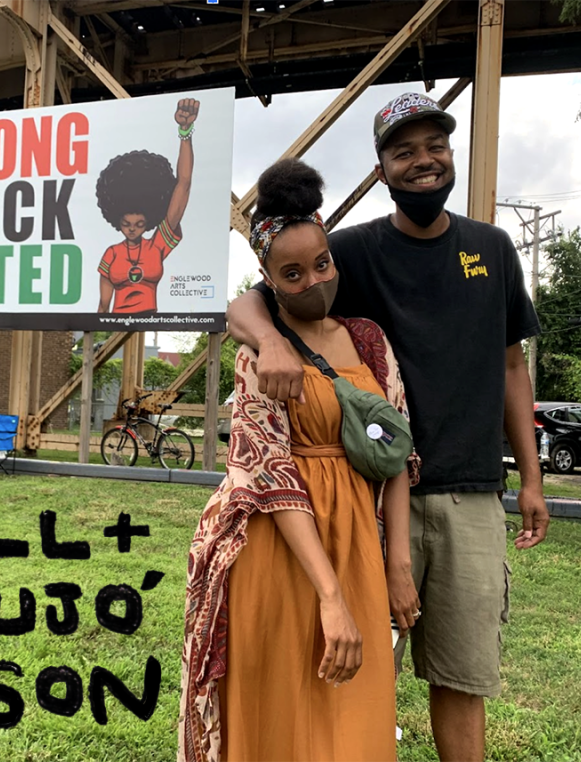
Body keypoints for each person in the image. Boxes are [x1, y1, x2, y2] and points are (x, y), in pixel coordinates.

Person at [226, 93, 550, 762]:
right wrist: (274, 343)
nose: (423, 161)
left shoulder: (491, 248)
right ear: (380, 171)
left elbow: (513, 366)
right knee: (355, 670)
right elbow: (253, 297)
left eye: (435, 146)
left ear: (451, 155)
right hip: (367, 500)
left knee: (461, 677)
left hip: (468, 491)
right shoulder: (351, 251)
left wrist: (532, 479)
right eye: (404, 152)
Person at [180, 159, 420, 762]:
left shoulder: (369, 340)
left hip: (357, 545)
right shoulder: (262, 355)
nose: (313, 280)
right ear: (267, 277)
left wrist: (397, 563)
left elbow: (395, 452)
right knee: (280, 709)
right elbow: (270, 475)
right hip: (281, 550)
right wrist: (329, 594)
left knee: (354, 712)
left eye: (322, 263)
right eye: (292, 273)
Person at [96, 98, 199, 314]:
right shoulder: (111, 254)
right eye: (126, 223)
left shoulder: (157, 246)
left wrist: (185, 132)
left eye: (139, 223)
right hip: (117, 324)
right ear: (117, 221)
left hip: (151, 319)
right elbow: (103, 306)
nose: (132, 228)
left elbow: (184, 183)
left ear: (148, 223)